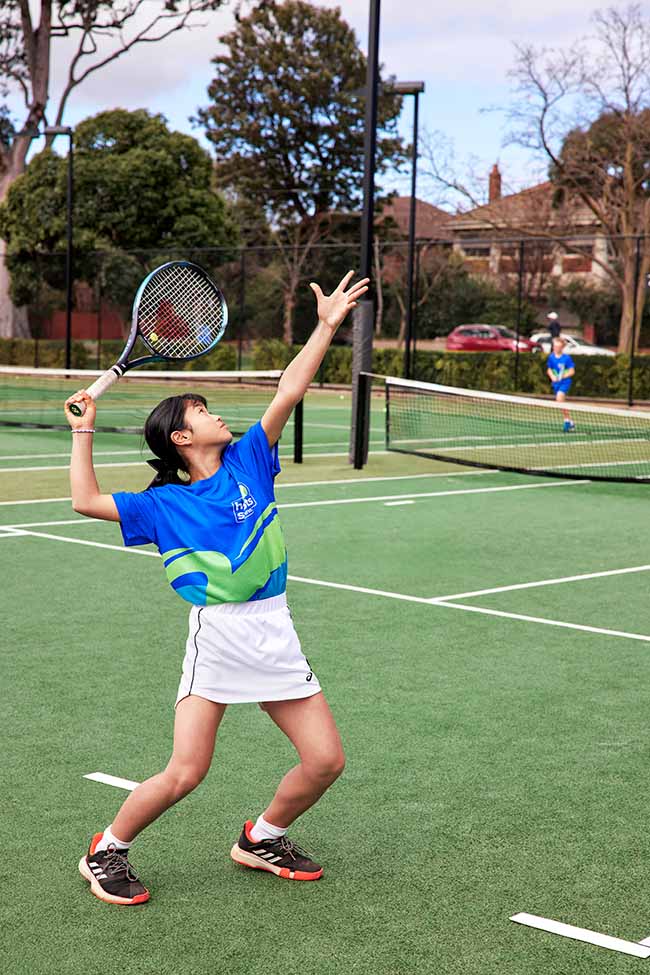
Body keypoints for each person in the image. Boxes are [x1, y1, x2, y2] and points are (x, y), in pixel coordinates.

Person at [65, 269, 369, 906]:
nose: (213, 411)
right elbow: (85, 500)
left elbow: (289, 388)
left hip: (275, 627)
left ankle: (262, 836)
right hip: (220, 636)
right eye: (199, 410)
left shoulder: (249, 460)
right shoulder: (164, 504)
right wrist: (83, 427)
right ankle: (107, 849)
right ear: (181, 438)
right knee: (186, 772)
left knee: (325, 761)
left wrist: (326, 326)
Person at [546, 335, 576, 432]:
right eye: (555, 346)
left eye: (558, 347)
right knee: (560, 403)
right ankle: (570, 421)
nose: (556, 348)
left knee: (559, 397)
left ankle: (566, 421)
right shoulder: (551, 357)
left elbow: (572, 371)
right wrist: (553, 377)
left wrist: (562, 376)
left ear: (562, 347)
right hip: (556, 383)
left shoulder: (566, 358)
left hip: (565, 382)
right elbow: (549, 369)